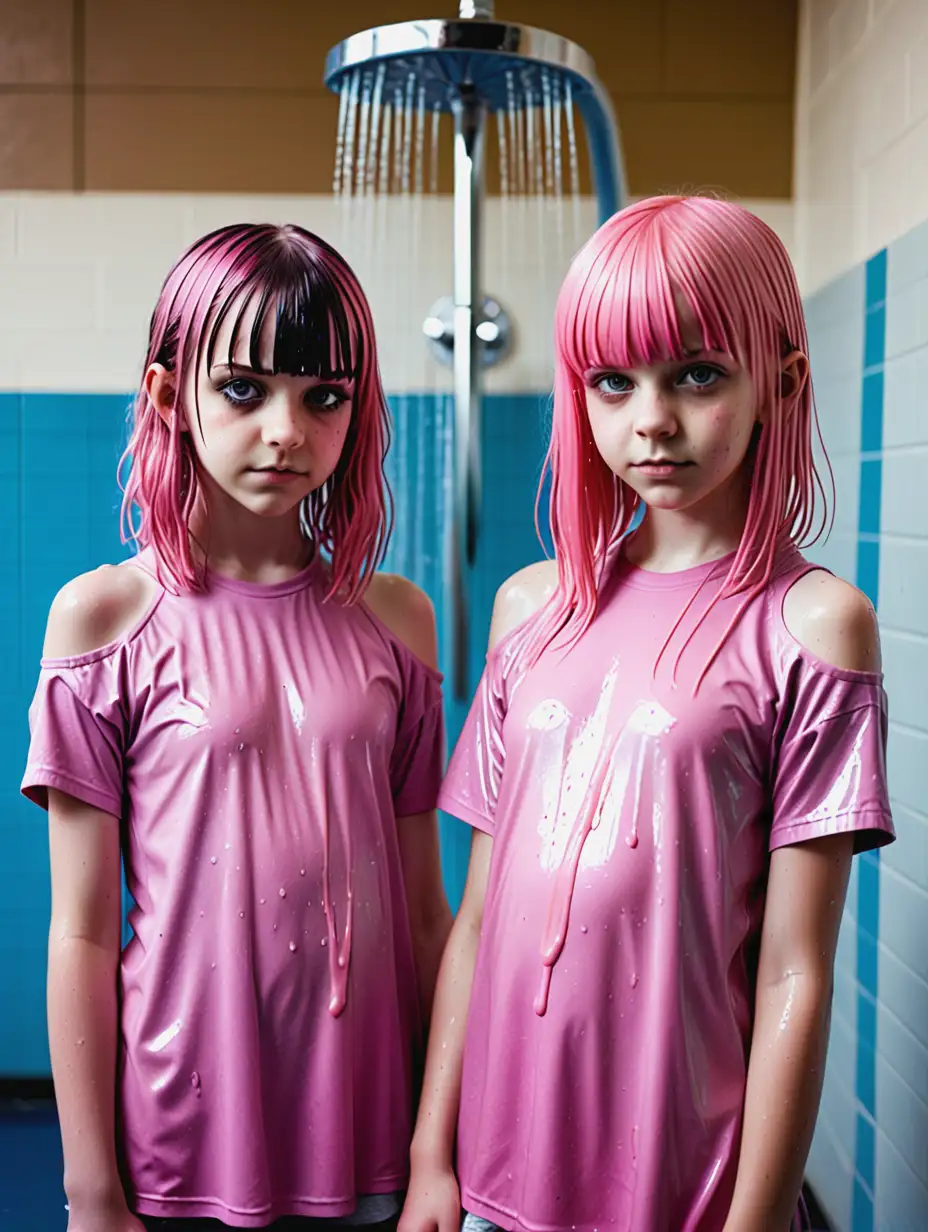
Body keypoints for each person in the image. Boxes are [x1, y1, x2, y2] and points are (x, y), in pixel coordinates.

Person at [399, 195, 895, 1232]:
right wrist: (428, 1156)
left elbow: (795, 967)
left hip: (683, 1187)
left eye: (697, 375)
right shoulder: (531, 608)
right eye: (612, 382)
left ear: (780, 385)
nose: (650, 420)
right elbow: (480, 921)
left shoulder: (812, 626)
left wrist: (752, 1221)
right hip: (492, 1176)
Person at [22, 223, 451, 1232]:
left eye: (324, 396)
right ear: (172, 395)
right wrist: (91, 1191)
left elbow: (426, 912)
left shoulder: (397, 618)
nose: (287, 432)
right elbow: (81, 932)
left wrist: (443, 1136)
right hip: (183, 1131)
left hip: (370, 1126)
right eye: (245, 390)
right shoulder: (103, 619)